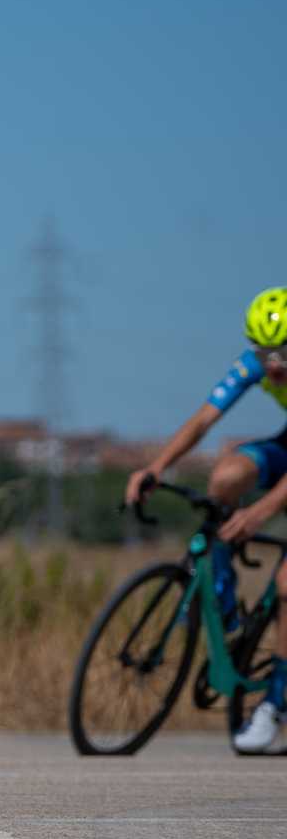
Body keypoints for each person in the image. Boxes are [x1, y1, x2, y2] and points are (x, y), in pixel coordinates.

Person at [125, 287, 287, 753]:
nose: (272, 364)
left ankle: (274, 706)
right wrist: (158, 466)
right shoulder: (256, 361)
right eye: (263, 351)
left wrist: (259, 513)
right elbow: (203, 420)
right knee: (226, 477)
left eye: (282, 352)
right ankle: (225, 603)